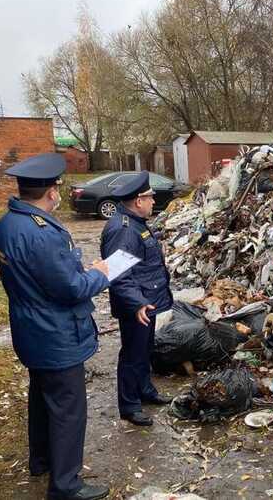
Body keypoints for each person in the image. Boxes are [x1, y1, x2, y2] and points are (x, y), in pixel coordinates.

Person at [0, 153, 110, 500]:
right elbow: (70, 290)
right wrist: (99, 275)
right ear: (50, 191)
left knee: (42, 399)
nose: (59, 193)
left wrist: (77, 271)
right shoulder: (42, 233)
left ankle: (41, 460)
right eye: (58, 187)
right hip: (55, 333)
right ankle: (66, 485)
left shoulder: (7, 224)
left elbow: (41, 276)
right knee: (68, 410)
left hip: (30, 328)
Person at [100, 171, 173, 426]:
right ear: (138, 200)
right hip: (136, 305)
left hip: (146, 301)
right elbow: (119, 275)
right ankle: (129, 405)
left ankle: (145, 390)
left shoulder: (135, 222)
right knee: (132, 354)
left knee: (144, 350)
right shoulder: (123, 230)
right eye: (150, 197)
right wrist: (137, 303)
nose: (154, 201)